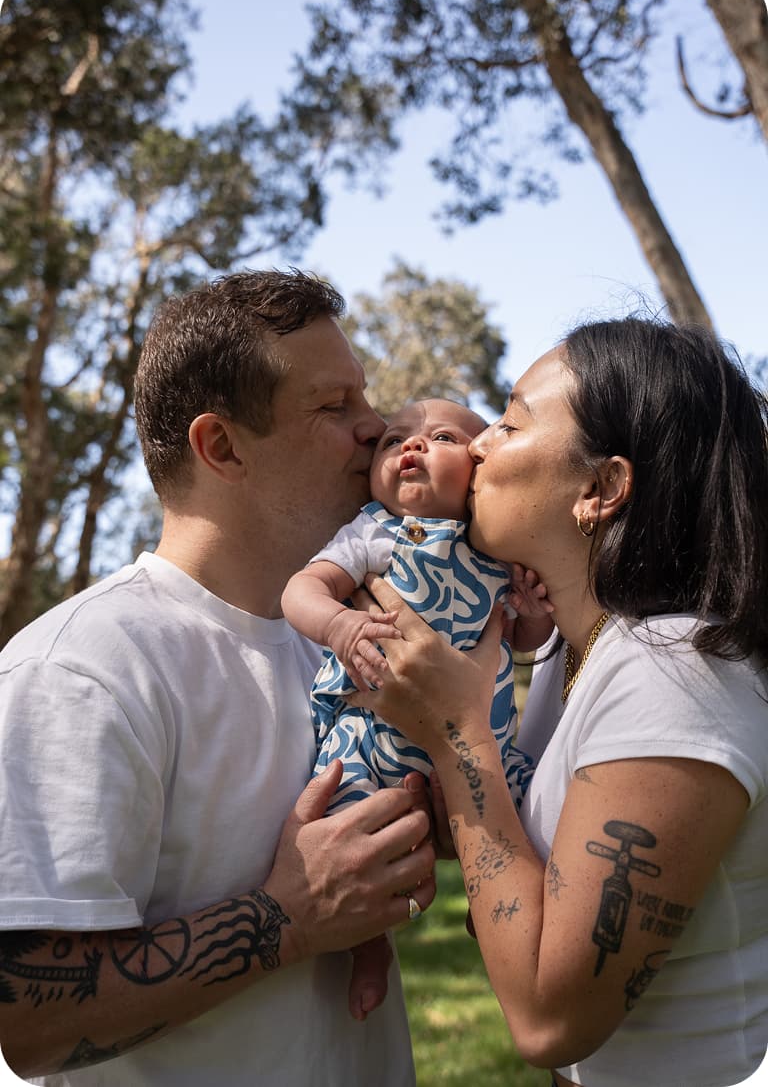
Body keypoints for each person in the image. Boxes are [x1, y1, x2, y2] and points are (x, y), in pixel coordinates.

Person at [0, 269, 438, 1086]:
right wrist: (288, 919)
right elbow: (26, 1021)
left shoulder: (346, 643)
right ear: (222, 447)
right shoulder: (81, 670)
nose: (376, 427)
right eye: (333, 405)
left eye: (365, 398)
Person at [348, 318, 768, 1087]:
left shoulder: (675, 671)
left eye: (508, 424)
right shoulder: (569, 655)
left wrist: (455, 732)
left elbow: (550, 1020)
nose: (476, 446)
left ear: (601, 489)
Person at [282, 397, 553, 1021]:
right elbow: (302, 589)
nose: (411, 445)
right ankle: (369, 944)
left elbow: (522, 639)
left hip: (481, 748)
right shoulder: (374, 531)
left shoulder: (496, 546)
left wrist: (535, 613)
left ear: (480, 468)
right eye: (393, 439)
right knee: (348, 826)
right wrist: (340, 625)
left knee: (532, 814)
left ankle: (506, 919)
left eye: (442, 437)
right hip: (371, 738)